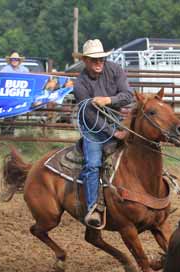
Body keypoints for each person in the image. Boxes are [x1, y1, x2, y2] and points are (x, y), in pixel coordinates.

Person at [72, 39, 132, 228]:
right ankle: (93, 209)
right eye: (94, 59)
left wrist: (108, 100)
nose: (99, 63)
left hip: (117, 120)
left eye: (101, 59)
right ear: (85, 61)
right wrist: (114, 132)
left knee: (142, 148)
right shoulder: (80, 84)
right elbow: (89, 116)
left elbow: (128, 95)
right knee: (92, 164)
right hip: (94, 129)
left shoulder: (114, 70)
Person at [0, 51, 29, 136]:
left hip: (19, 97)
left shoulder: (24, 70)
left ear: (19, 60)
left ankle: (10, 134)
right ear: (10, 60)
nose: (14, 60)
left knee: (15, 116)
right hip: (8, 97)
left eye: (16, 59)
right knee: (8, 115)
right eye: (13, 59)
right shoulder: (5, 69)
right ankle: (5, 134)